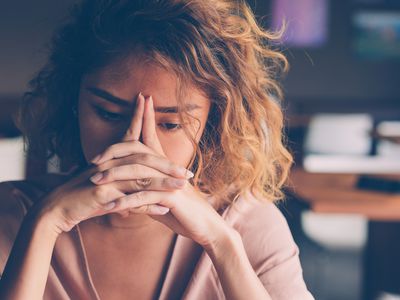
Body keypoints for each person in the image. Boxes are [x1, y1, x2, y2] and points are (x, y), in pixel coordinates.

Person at [0, 0, 314, 299]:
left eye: (171, 124)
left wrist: (222, 245)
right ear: (74, 103)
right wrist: (45, 224)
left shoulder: (247, 225)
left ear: (212, 123)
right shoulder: (13, 214)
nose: (135, 145)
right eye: (108, 113)